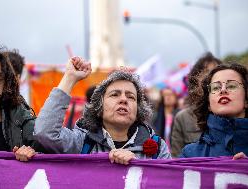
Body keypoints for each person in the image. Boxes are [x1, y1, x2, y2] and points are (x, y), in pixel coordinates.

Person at [16, 57, 171, 164]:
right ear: (99, 106)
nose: (123, 99)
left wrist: (137, 166)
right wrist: (70, 78)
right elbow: (44, 132)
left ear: (138, 109)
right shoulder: (80, 142)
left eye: (131, 97)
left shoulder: (158, 148)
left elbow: (167, 182)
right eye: (114, 94)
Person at [180, 63, 248, 159]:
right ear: (209, 104)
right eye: (216, 87)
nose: (223, 90)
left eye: (232, 86)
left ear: (246, 100)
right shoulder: (190, 154)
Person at [170, 52, 222, 157]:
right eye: (206, 73)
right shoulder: (183, 118)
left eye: (215, 73)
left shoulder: (231, 112)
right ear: (195, 80)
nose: (211, 78)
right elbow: (176, 162)